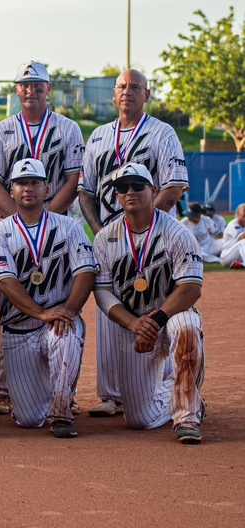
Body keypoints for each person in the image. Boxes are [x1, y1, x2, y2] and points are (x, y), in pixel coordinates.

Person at [79, 69, 189, 418]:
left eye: (135, 87)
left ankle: (169, 384)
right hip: (110, 239)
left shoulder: (162, 133)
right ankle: (112, 395)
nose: (128, 92)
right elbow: (86, 191)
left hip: (153, 237)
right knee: (108, 307)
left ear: (147, 94)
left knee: (156, 302)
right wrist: (100, 231)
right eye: (122, 87)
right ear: (114, 95)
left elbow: (172, 186)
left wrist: (145, 226)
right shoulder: (98, 136)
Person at [0, 60, 85, 415]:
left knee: (58, 293)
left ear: (48, 88)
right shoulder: (0, 129)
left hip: (57, 222)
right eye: (25, 84)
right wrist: (21, 220)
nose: (31, 89)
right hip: (12, 224)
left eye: (37, 84)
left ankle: (60, 386)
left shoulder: (68, 128)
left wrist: (47, 217)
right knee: (10, 299)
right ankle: (1, 387)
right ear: (16, 89)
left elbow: (74, 178)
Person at [0, 159, 97, 438]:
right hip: (18, 329)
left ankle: (61, 412)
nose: (28, 188)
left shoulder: (69, 227)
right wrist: (41, 313)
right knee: (29, 419)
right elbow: (6, 282)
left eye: (35, 182)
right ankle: (50, 391)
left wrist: (67, 311)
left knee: (64, 333)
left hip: (58, 321)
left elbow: (85, 273)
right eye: (21, 183)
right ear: (11, 191)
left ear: (47, 188)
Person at [92, 162, 205, 444]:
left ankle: (188, 416)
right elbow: (103, 292)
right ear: (117, 196)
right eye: (122, 187)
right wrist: (135, 323)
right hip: (134, 324)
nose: (130, 191)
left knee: (188, 325)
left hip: (169, 318)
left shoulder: (178, 232)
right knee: (140, 420)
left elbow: (191, 288)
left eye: (137, 185)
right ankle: (181, 388)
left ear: (152, 190)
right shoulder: (105, 238)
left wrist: (155, 321)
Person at [220, 203, 245, 268]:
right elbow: (242, 237)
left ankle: (241, 264)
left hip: (237, 255)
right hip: (226, 256)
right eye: (244, 210)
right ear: (238, 213)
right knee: (243, 242)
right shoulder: (233, 225)